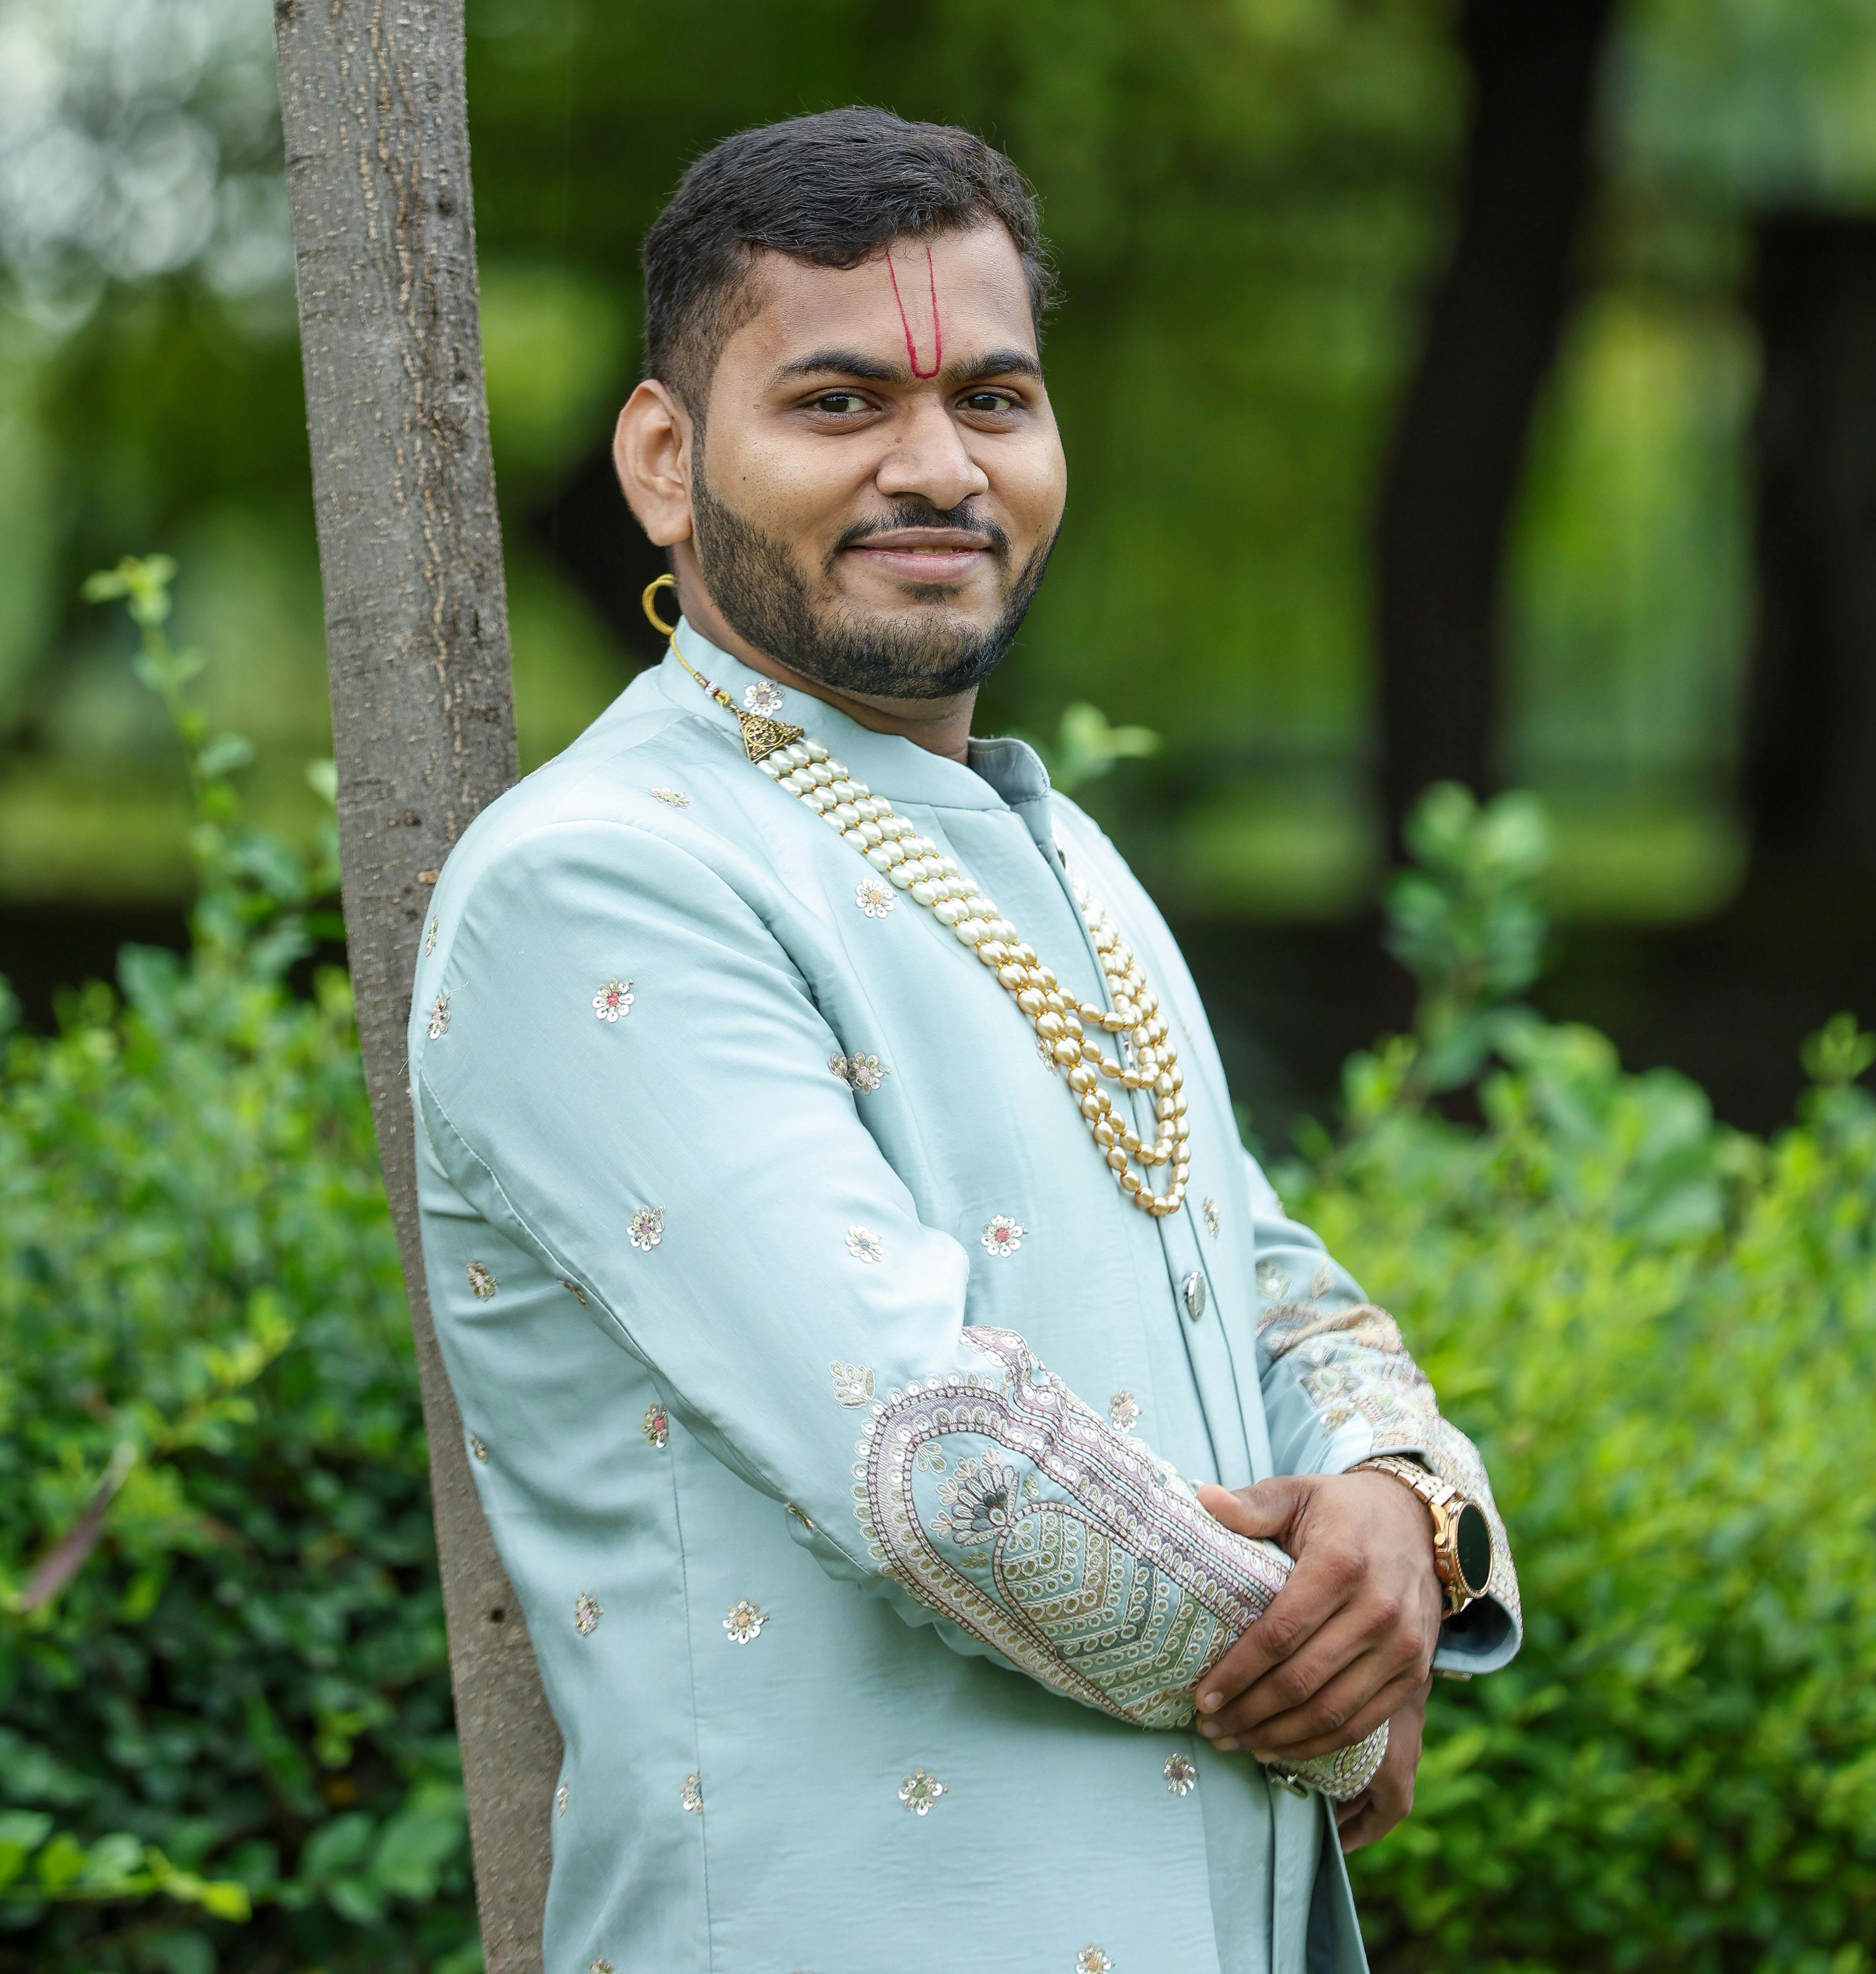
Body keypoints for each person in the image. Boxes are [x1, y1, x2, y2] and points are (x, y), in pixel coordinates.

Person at [410, 107, 1518, 1974]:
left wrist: (1411, 1513)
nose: (937, 467)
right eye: (840, 403)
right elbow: (949, 1469)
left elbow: (1272, 1288)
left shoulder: (1060, 855)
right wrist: (1340, 1680)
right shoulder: (601, 880)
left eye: (993, 399)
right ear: (667, 461)